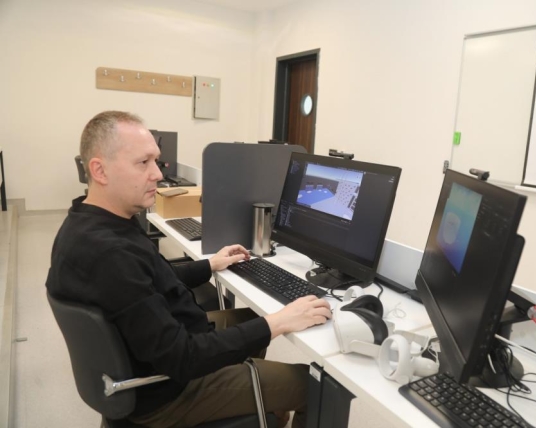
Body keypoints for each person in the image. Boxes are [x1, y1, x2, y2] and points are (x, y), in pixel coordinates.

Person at [46, 111, 332, 428]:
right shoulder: (111, 255)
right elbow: (183, 357)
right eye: (143, 163)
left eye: (156, 161)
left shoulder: (91, 222)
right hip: (168, 389)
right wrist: (277, 322)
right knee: (315, 388)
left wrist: (210, 264)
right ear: (100, 170)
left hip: (157, 351)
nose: (157, 174)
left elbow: (148, 281)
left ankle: (258, 402)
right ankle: (254, 398)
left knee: (251, 319)